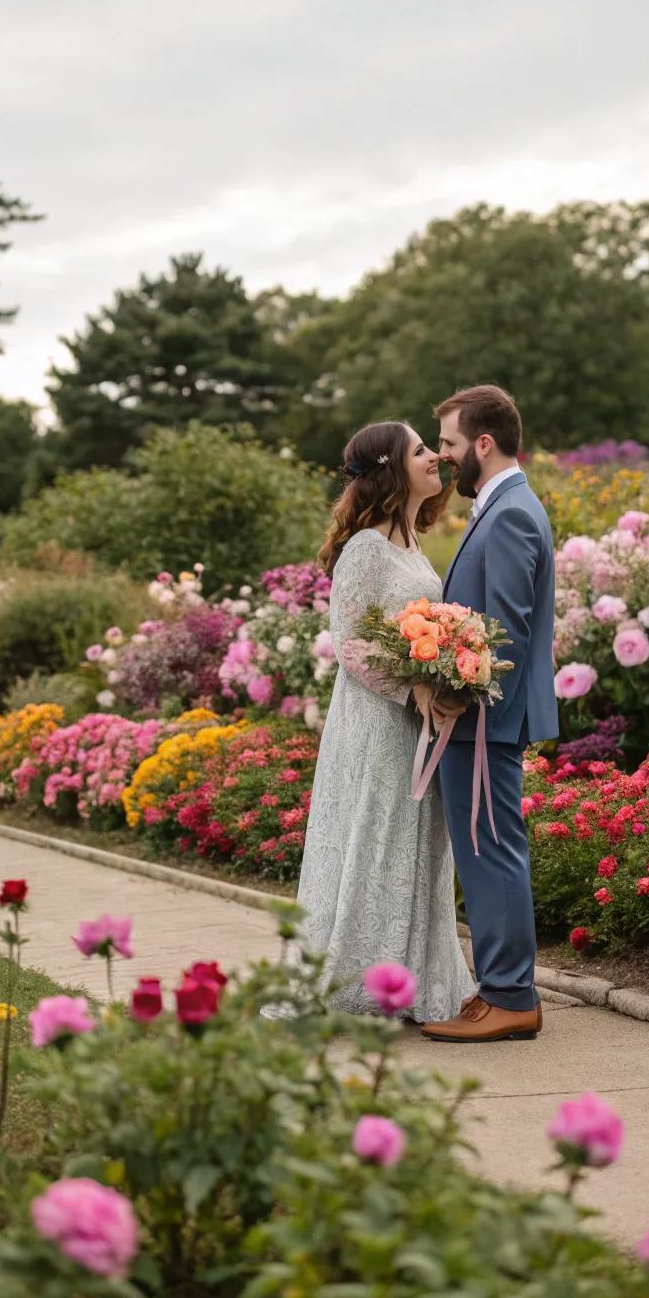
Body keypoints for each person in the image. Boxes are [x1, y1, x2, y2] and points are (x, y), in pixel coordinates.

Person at [287, 418, 472, 1021]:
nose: (434, 458)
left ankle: (414, 977)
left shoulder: (410, 544)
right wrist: (415, 691)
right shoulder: (366, 547)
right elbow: (352, 644)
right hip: (376, 722)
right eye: (421, 450)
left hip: (414, 723)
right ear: (392, 467)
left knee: (416, 844)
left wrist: (450, 673)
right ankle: (359, 982)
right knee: (376, 839)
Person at [421, 384, 557, 1043]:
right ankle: (501, 987)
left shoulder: (510, 515)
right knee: (487, 848)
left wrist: (457, 689)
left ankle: (510, 995)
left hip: (483, 720)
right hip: (479, 717)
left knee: (490, 850)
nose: (445, 457)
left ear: (482, 443)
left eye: (449, 444)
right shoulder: (498, 509)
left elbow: (505, 631)